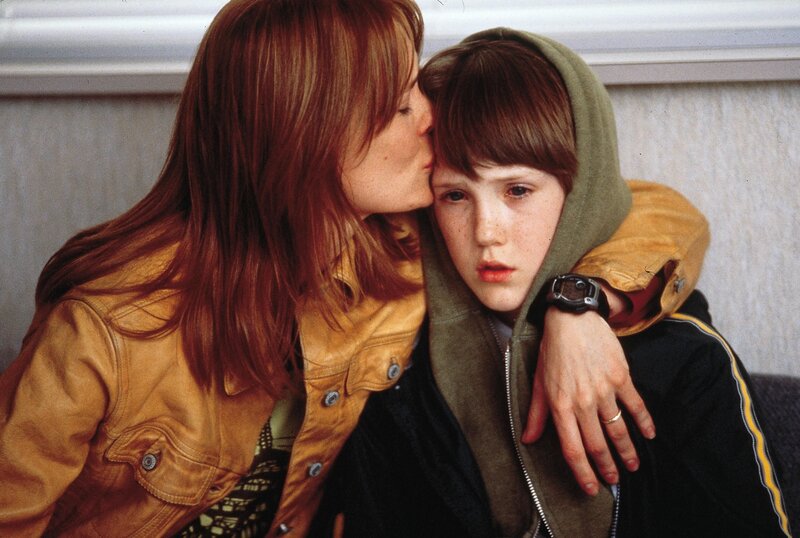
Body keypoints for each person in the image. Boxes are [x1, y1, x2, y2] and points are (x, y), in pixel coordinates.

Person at [0, 2, 708, 536]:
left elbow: (645, 208)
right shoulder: (105, 330)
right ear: (307, 136)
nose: (429, 116)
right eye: (400, 105)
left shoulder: (400, 252)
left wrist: (577, 304)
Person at [317, 28, 792, 537]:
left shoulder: (684, 362)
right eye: (454, 196)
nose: (486, 232)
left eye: (518, 190)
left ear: (580, 192)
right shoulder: (399, 378)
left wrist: (575, 306)